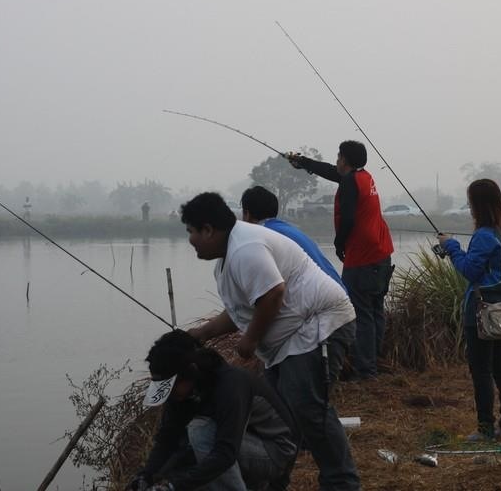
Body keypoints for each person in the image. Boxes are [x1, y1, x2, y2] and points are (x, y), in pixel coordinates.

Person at [180, 192, 360, 491]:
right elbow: (241, 309)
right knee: (283, 416)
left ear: (209, 229)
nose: (190, 240)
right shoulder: (227, 259)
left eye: (191, 232)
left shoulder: (246, 248)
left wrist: (250, 339)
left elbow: (273, 293)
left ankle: (342, 483)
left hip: (317, 325)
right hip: (289, 341)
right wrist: (203, 334)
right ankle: (277, 481)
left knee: (310, 411)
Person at [130, 330, 298, 491]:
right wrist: (146, 475)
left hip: (276, 453)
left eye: (172, 388)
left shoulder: (231, 385)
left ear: (191, 371)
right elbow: (167, 439)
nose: (170, 396)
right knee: (175, 461)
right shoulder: (184, 392)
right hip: (244, 446)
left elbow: (226, 453)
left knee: (200, 431)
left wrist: (173, 486)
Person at [287, 141, 393, 379]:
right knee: (375, 310)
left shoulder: (349, 183)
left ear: (345, 160)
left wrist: (339, 243)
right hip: (382, 253)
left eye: (338, 156)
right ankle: (374, 363)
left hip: (362, 257)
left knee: (362, 314)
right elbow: (331, 172)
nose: (336, 160)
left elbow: (347, 219)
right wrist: (304, 162)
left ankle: (366, 371)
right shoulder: (363, 177)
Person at [437, 179, 501, 442]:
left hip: (482, 312)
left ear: (478, 205)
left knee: (481, 371)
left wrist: (451, 247)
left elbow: (469, 271)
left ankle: (485, 428)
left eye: (471, 202)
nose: (470, 208)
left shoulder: (484, 235)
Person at [240, 185, 345, 290]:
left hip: (322, 299)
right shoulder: (288, 229)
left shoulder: (262, 235)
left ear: (247, 214)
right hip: (340, 294)